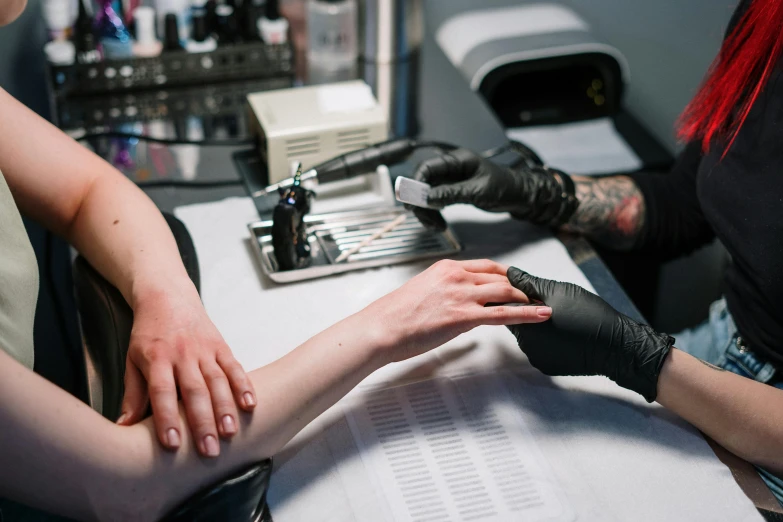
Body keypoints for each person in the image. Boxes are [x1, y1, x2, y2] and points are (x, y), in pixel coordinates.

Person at [410, 0, 783, 502]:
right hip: (723, 345)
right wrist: (538, 192)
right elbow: (683, 204)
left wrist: (639, 359)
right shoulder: (767, 20)